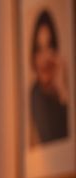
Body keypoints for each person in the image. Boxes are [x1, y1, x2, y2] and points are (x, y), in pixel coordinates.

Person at [30, 8, 70, 146]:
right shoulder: (35, 95)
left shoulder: (63, 88)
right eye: (39, 49)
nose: (45, 58)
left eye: (49, 47)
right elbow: (53, 139)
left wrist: (62, 91)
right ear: (33, 56)